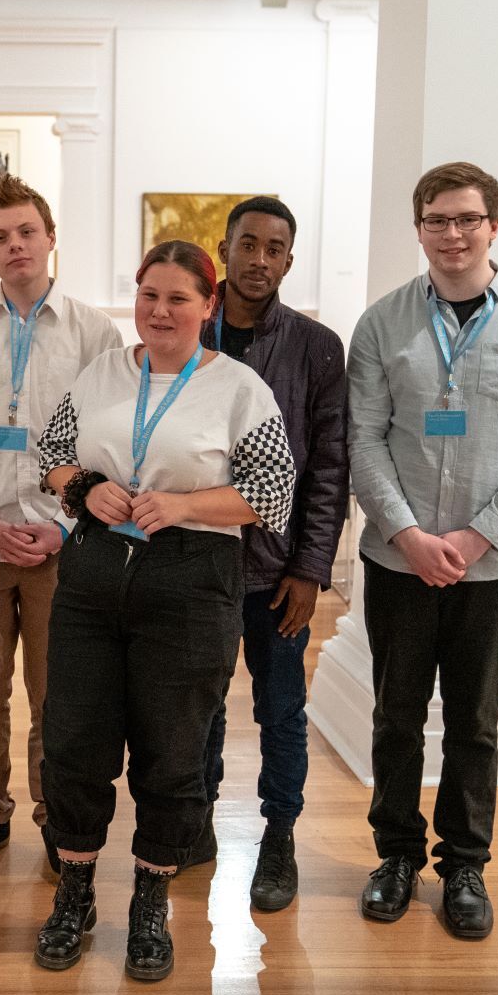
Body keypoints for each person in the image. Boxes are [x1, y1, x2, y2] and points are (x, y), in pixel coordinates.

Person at [32, 241, 296, 981]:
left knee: (173, 750)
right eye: (149, 295)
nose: (160, 311)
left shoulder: (240, 388)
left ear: (208, 306)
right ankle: (76, 890)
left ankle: (151, 898)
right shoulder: (106, 370)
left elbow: (273, 495)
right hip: (92, 574)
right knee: (76, 740)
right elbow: (49, 448)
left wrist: (182, 503)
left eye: (178, 298)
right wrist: (83, 487)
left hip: (190, 577)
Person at [347, 161, 498, 940]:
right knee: (396, 716)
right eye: (438, 220)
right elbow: (364, 439)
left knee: (475, 721)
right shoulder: (382, 325)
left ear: (494, 228)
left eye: (467, 219)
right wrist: (410, 534)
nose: (453, 234)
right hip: (397, 561)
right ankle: (396, 856)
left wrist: (477, 536)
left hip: (495, 566)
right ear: (418, 229)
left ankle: (466, 865)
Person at [0, 175, 122, 878]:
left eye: (25, 232)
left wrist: (64, 529)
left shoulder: (95, 332)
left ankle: (52, 813)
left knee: (55, 691)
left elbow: (109, 438)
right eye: (0, 236)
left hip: (60, 544)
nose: (14, 246)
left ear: (50, 236)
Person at [191, 196, 349, 914]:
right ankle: (194, 821)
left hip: (278, 571)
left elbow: (328, 466)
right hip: (196, 561)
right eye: (247, 244)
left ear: (290, 259)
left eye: (274, 248)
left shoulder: (316, 348)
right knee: (196, 705)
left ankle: (278, 837)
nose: (259, 259)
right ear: (224, 250)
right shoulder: (188, 327)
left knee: (281, 710)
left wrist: (312, 568)